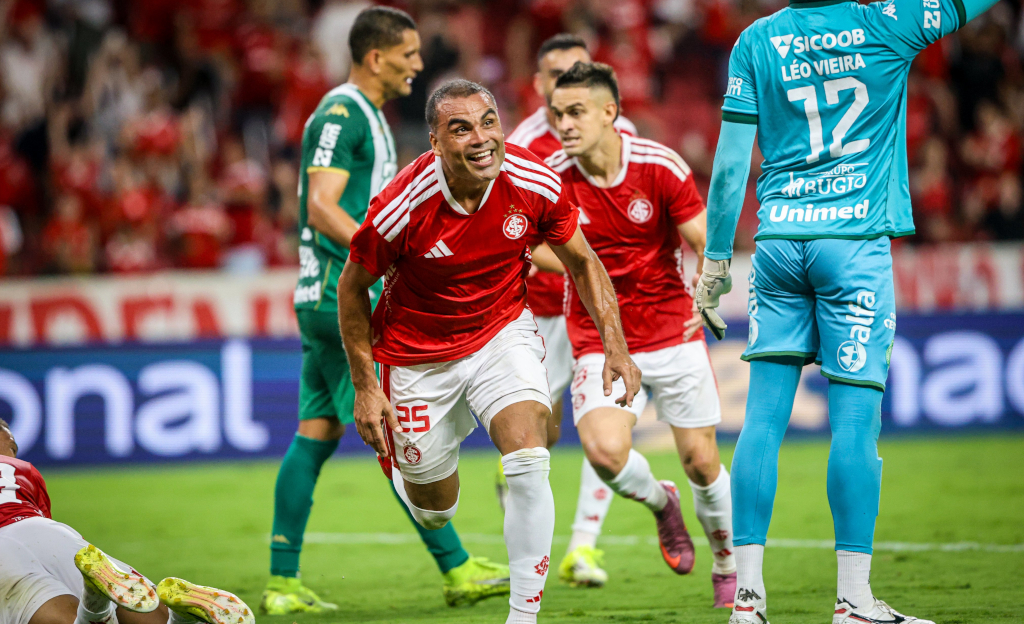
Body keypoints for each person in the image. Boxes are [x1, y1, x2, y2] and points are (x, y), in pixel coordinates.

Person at [694, 0, 999, 621]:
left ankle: (747, 602)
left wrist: (717, 260)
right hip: (854, 246)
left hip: (779, 245)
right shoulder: (888, 21)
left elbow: (729, 166)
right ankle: (853, 600)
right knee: (855, 425)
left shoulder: (756, 39)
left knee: (762, 420)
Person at [336, 79, 642, 624]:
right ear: (435, 142)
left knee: (528, 458)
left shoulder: (533, 180)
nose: (481, 139)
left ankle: (523, 616)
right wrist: (364, 386)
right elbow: (351, 288)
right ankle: (420, 456)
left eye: (488, 122)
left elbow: (582, 261)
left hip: (501, 333)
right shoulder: (402, 205)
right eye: (461, 129)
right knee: (434, 512)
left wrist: (615, 347)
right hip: (418, 357)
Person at [266, 6, 509, 614]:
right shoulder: (343, 111)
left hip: (322, 293)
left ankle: (281, 582)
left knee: (316, 432)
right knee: (396, 430)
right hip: (339, 293)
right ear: (376, 58)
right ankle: (457, 567)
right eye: (408, 54)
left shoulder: (366, 114)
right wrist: (385, 256)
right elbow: (321, 206)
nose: (418, 65)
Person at [546, 62, 737, 609]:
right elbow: (530, 249)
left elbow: (703, 238)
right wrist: (586, 267)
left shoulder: (659, 166)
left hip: (672, 330)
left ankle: (727, 566)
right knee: (606, 452)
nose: (564, 124)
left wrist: (709, 284)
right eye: (558, 114)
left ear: (610, 112)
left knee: (702, 462)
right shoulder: (551, 179)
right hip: (600, 337)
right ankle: (661, 502)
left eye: (576, 112)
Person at [503, 33, 638, 589]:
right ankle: (517, 497)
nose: (566, 82)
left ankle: (582, 544)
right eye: (556, 74)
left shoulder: (621, 135)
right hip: (536, 309)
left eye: (577, 70)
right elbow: (516, 236)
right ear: (538, 83)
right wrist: (583, 267)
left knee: (600, 419)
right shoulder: (519, 144)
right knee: (541, 430)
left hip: (591, 309)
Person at [0, 418, 254, 624]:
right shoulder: (23, 469)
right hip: (49, 532)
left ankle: (95, 604)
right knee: (148, 606)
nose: (14, 451)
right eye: (12, 447)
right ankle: (179, 618)